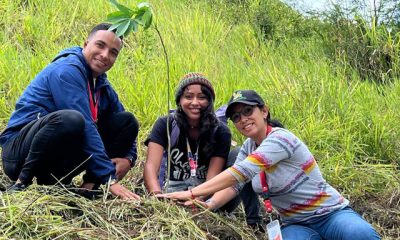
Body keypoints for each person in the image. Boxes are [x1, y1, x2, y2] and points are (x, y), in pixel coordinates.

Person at [159, 90, 381, 239]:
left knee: (360, 235)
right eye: (236, 117)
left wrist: (192, 193)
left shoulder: (281, 139)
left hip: (329, 214)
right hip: (294, 223)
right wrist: (209, 204)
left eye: (248, 111)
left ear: (263, 111)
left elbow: (241, 171)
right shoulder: (248, 147)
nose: (243, 119)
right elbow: (235, 185)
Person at [0, 23, 140, 200]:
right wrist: (110, 178)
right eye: (100, 45)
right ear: (85, 44)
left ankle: (88, 188)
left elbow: (124, 122)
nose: (105, 55)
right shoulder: (67, 70)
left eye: (113, 52)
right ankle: (22, 183)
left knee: (127, 121)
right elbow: (86, 125)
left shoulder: (101, 84)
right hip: (19, 154)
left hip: (55, 160)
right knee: (72, 119)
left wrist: (129, 158)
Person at [144, 73, 260, 216]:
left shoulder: (220, 131)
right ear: (179, 100)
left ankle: (253, 218)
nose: (195, 102)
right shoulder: (165, 124)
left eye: (202, 97)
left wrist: (196, 202)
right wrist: (157, 199)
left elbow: (213, 179)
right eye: (188, 96)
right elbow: (151, 166)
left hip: (208, 197)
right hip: (171, 194)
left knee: (238, 155)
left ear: (210, 101)